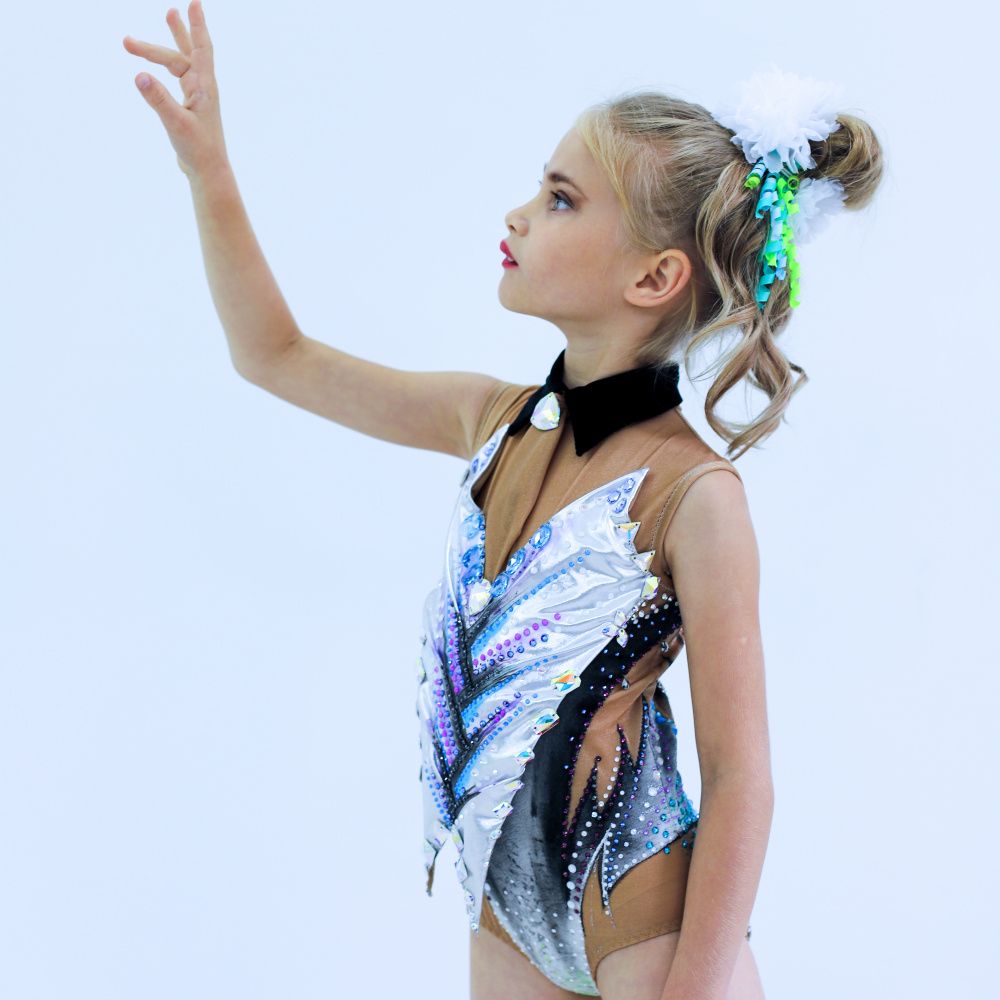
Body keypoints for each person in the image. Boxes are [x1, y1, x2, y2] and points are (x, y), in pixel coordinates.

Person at [124, 8, 884, 998]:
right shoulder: (491, 421)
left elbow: (743, 778)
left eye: (561, 199)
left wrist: (694, 990)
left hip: (647, 927)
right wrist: (208, 170)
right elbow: (276, 355)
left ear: (655, 275)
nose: (519, 214)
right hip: (503, 916)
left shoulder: (695, 494)